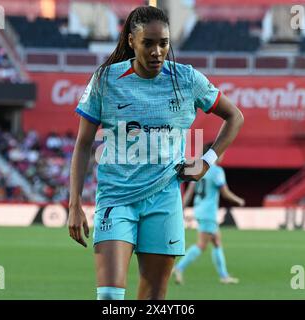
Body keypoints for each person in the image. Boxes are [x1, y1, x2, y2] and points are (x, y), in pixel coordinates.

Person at [68, 6, 244, 300]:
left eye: (163, 43)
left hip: (164, 200)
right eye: (148, 43)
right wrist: (74, 203)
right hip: (116, 198)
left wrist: (206, 162)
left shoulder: (186, 80)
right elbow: (84, 143)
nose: (157, 51)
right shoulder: (105, 80)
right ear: (131, 42)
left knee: (152, 300)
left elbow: (234, 116)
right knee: (109, 297)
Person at [172, 143, 245, 285]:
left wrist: (182, 209)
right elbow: (225, 192)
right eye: (221, 151)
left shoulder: (199, 169)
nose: (223, 154)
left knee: (217, 241)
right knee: (202, 245)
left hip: (199, 210)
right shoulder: (217, 171)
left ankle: (224, 275)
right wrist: (239, 201)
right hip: (208, 213)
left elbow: (189, 193)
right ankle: (178, 267)